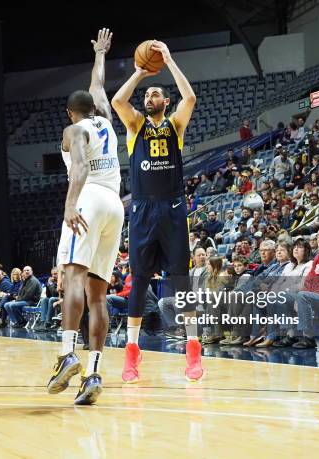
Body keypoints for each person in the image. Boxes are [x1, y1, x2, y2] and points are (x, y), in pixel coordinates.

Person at [112, 38, 202, 382]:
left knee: (181, 281)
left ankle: (193, 349)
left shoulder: (175, 126)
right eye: (147, 95)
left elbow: (190, 98)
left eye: (156, 95)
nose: (150, 98)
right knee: (139, 282)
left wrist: (169, 59)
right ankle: (131, 354)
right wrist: (139, 72)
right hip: (144, 211)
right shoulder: (135, 126)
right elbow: (119, 100)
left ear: (165, 102)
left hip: (173, 208)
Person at [48, 29, 124, 405]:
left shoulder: (74, 129)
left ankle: (67, 354)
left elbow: (78, 167)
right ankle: (93, 373)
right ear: (94, 107)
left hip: (90, 197)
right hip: (116, 205)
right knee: (99, 296)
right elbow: (98, 84)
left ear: (69, 113)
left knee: (72, 277)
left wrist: (69, 203)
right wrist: (99, 54)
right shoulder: (106, 119)